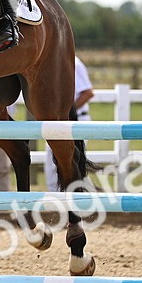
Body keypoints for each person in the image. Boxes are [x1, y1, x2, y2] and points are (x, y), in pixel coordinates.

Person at [44, 56, 95, 191]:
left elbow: (87, 93)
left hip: (74, 119)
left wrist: (66, 112)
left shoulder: (73, 63)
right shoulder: (55, 61)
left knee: (64, 163)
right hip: (60, 121)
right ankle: (60, 199)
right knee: (52, 164)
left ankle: (66, 200)